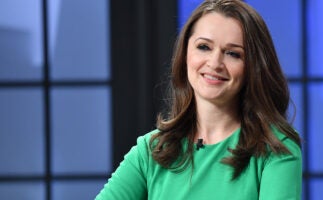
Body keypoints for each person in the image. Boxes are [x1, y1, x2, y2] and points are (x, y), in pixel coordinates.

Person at [96, 0, 302, 199]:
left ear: (254, 67)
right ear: (185, 54)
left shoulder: (276, 148)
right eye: (204, 47)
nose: (215, 63)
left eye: (233, 53)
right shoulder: (151, 151)